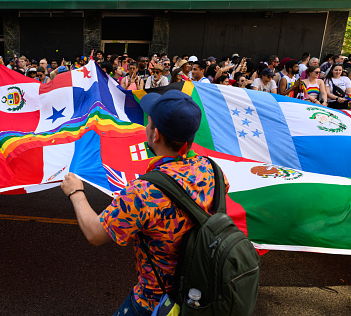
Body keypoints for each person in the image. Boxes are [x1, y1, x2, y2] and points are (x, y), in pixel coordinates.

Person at [60, 89, 228, 315]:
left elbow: (95, 233)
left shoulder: (145, 192)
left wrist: (76, 193)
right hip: (199, 291)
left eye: (148, 123)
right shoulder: (214, 172)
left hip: (155, 302)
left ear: (155, 134)